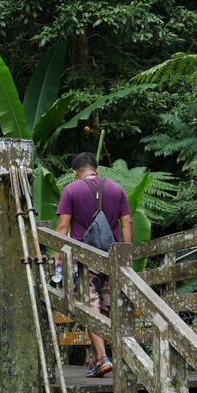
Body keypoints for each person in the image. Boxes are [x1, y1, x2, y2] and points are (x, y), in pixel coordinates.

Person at [56, 152, 132, 377]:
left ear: (75, 173)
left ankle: (103, 357)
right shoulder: (117, 189)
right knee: (108, 307)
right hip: (112, 258)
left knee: (92, 306)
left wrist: (58, 261)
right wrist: (126, 255)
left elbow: (62, 228)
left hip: (85, 260)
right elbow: (126, 221)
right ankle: (107, 357)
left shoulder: (71, 190)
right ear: (96, 170)